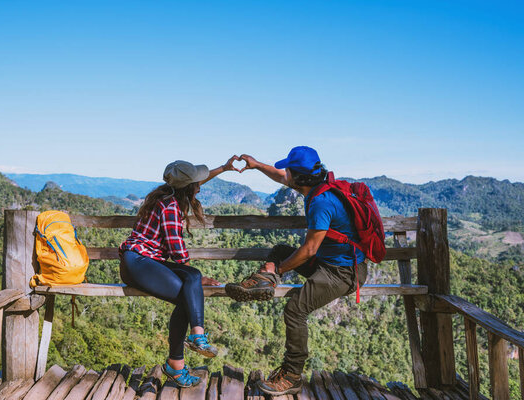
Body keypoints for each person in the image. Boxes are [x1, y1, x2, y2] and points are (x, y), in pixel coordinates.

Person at [225, 146, 368, 396]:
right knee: (281, 249)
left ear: (299, 176)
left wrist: (279, 268)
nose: (285, 172)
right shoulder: (315, 186)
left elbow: (310, 249)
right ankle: (265, 282)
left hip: (344, 272)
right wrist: (256, 164)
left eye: (288, 169)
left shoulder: (322, 202)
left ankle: (292, 376)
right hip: (329, 263)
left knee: (295, 309)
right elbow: (280, 176)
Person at [119, 157, 239, 387]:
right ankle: (189, 347)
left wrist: (224, 168)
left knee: (192, 278)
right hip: (139, 263)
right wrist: (196, 279)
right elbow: (177, 250)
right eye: (196, 184)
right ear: (189, 188)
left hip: (144, 261)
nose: (200, 187)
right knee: (190, 287)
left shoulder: (166, 194)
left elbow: (196, 180)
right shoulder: (170, 207)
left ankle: (191, 344)